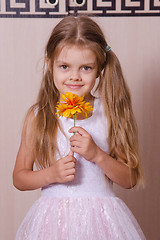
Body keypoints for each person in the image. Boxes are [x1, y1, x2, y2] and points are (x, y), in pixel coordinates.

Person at [13, 15, 146, 239]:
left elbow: (130, 178)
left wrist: (98, 155)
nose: (74, 76)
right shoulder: (38, 116)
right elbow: (19, 178)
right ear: (49, 64)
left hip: (102, 224)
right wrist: (51, 174)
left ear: (99, 69)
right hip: (51, 225)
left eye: (86, 68)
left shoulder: (109, 113)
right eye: (64, 66)